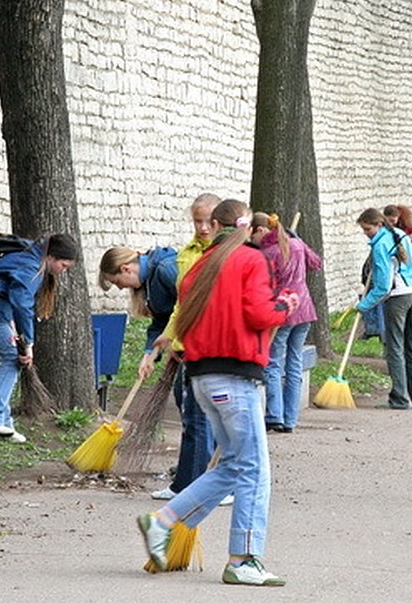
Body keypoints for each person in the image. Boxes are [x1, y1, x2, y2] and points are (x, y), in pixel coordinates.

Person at [137, 199, 298, 587]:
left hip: (202, 377)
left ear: (216, 225)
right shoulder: (248, 260)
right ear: (245, 227)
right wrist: (285, 304)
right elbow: (259, 313)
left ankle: (163, 522)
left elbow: (184, 321)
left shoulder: (199, 266)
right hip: (235, 375)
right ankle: (243, 558)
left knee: (231, 466)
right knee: (255, 470)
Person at [0, 233, 80, 443]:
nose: (64, 271)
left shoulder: (30, 256)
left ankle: (4, 423)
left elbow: (10, 293)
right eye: (64, 265)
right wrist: (28, 343)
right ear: (51, 257)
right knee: (11, 358)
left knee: (9, 358)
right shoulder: (31, 265)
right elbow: (21, 301)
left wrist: (17, 334)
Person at [148, 193, 222, 502]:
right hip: (186, 344)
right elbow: (182, 303)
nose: (203, 228)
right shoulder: (186, 254)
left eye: (208, 221)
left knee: (201, 416)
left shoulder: (225, 254)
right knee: (189, 413)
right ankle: (186, 483)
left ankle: (201, 486)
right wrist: (169, 337)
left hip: (210, 345)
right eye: (197, 221)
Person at [250, 212, 324, 433]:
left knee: (273, 361)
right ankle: (290, 419)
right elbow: (316, 263)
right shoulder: (296, 245)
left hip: (282, 310)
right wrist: (298, 241)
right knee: (294, 363)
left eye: (252, 234)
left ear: (261, 231)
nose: (251, 239)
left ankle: (275, 415)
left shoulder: (268, 252)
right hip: (304, 309)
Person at [356, 207, 412, 410]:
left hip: (397, 298)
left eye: (368, 229)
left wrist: (363, 305)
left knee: (394, 348)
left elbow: (383, 287)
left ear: (379, 225)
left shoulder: (380, 246)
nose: (366, 233)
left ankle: (399, 398)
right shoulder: (400, 234)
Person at [97, 244, 179, 371]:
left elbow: (193, 305)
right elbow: (161, 319)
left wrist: (173, 337)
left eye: (116, 282)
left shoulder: (166, 270)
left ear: (125, 269)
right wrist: (148, 355)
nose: (120, 287)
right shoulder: (148, 284)